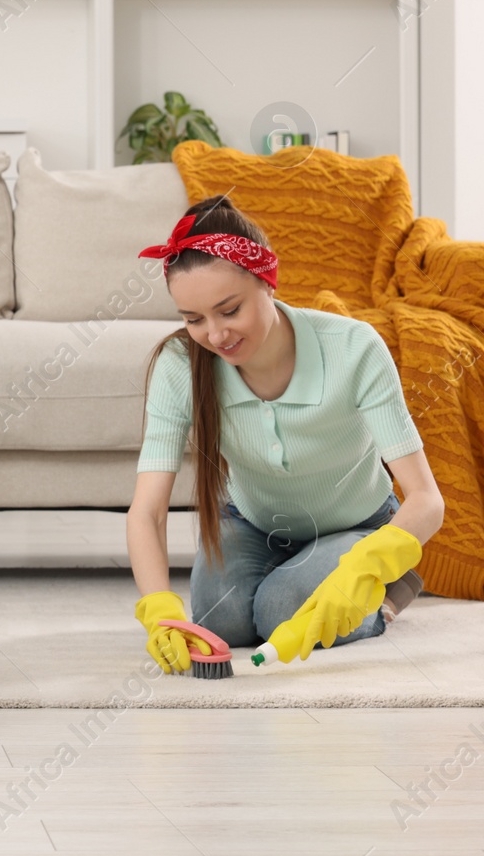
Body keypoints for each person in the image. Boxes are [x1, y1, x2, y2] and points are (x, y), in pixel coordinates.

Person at [126, 196, 444, 671]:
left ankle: (389, 594)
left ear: (267, 283)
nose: (214, 336)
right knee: (221, 620)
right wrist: (159, 612)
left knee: (280, 612)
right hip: (253, 520)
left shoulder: (355, 348)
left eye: (229, 310)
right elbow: (147, 511)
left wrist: (366, 568)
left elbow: (427, 500)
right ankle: (292, 575)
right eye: (193, 319)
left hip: (355, 524)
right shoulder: (180, 365)